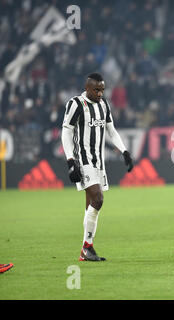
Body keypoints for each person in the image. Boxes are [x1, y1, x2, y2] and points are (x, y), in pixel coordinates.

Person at [61, 73, 134, 261]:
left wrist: (124, 150)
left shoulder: (103, 105)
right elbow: (66, 132)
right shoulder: (76, 104)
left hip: (98, 162)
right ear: (87, 88)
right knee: (98, 199)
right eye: (96, 90)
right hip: (83, 160)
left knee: (92, 205)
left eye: (102, 90)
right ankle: (87, 247)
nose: (100, 93)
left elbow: (111, 129)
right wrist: (70, 161)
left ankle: (86, 249)